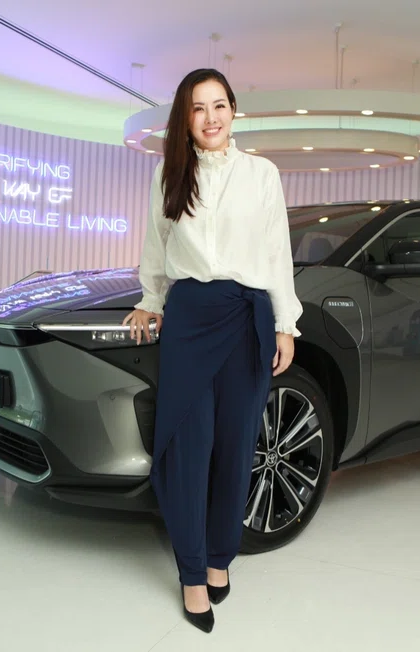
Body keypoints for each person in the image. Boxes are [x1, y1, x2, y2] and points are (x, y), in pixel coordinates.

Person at [122, 68, 303, 633]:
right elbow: (157, 243)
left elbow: (277, 252)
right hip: (192, 316)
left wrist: (285, 323)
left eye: (219, 105)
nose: (211, 117)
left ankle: (222, 556)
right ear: (186, 118)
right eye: (198, 108)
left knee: (235, 444)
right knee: (186, 445)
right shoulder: (169, 173)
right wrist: (151, 299)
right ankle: (192, 572)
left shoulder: (262, 174)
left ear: (233, 110)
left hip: (248, 314)